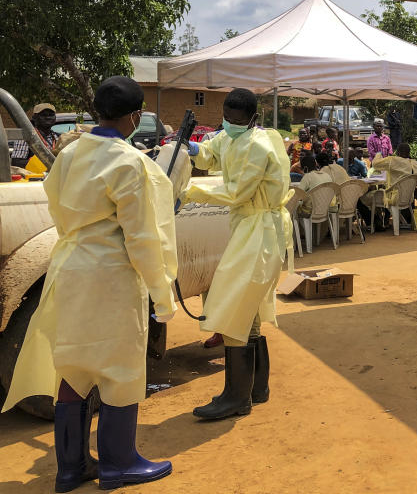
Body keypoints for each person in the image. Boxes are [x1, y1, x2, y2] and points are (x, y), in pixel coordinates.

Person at [2, 77, 178, 490]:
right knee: (120, 368)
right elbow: (141, 238)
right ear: (135, 116)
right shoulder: (129, 162)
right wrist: (161, 292)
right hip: (111, 275)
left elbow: (53, 197)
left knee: (74, 368)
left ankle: (71, 467)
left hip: (69, 266)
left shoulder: (71, 152)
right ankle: (119, 464)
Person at [183, 88, 293, 420]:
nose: (229, 124)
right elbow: (210, 154)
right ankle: (256, 389)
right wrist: (189, 148)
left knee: (233, 306)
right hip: (248, 226)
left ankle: (236, 397)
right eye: (226, 118)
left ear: (252, 119)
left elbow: (235, 192)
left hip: (259, 229)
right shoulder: (230, 136)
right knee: (249, 309)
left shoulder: (257, 145)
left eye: (235, 120)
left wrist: (189, 193)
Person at [10, 103, 60, 168]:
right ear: (34, 118)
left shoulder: (58, 137)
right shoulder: (26, 137)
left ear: (55, 118)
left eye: (51, 115)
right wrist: (41, 163)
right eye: (43, 115)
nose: (48, 117)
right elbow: (16, 162)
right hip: (34, 177)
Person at [295, 153, 333, 217]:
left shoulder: (308, 176)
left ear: (305, 168)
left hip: (309, 212)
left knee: (293, 210)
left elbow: (298, 194)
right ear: (316, 164)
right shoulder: (327, 175)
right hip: (325, 210)